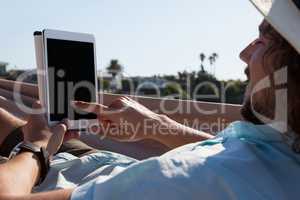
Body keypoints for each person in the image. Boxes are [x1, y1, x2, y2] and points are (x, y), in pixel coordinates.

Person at [0, 0, 300, 199]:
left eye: (263, 41)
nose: (244, 54)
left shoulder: (180, 180)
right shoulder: (287, 149)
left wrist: (36, 147)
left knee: (11, 121)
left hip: (56, 172)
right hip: (99, 161)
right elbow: (246, 159)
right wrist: (157, 124)